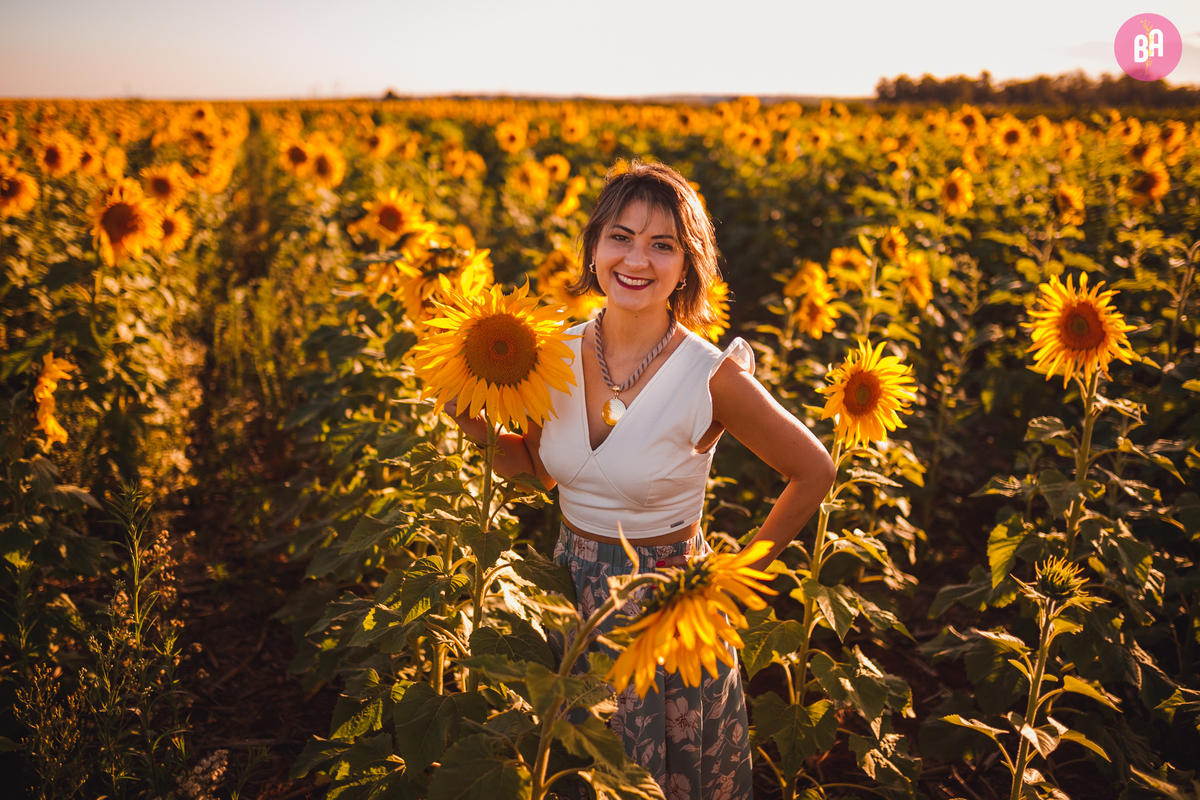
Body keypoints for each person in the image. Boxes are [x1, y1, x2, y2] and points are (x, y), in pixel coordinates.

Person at [445, 159, 835, 800]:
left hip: (661, 610)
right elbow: (538, 472)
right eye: (621, 237)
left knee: (648, 780)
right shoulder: (554, 356)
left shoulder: (709, 377)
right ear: (595, 248)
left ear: (688, 266)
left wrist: (732, 584)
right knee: (565, 769)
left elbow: (813, 470)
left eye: (663, 245)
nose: (637, 259)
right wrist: (469, 420)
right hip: (567, 591)